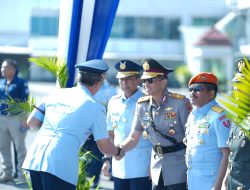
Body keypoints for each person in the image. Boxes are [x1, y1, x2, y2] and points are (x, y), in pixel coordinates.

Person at [22, 59, 125, 190]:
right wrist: (119, 151)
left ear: (78, 78)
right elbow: (104, 146)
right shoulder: (95, 107)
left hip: (35, 158)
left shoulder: (56, 93)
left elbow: (31, 123)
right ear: (99, 84)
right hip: (59, 165)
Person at [118, 58, 192, 190]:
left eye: (150, 80)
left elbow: (192, 139)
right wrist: (120, 149)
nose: (146, 84)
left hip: (179, 167)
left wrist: (192, 170)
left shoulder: (180, 103)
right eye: (144, 80)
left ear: (163, 82)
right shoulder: (142, 105)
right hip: (157, 166)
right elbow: (134, 137)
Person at [102, 60, 152, 190]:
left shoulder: (148, 101)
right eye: (121, 79)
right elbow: (110, 134)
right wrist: (107, 159)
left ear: (138, 79)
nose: (124, 83)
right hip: (119, 165)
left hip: (142, 166)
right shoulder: (113, 102)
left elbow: (155, 136)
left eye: (128, 78)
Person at [185, 72, 231, 190]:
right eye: (190, 89)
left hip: (211, 182)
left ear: (211, 94)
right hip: (193, 181)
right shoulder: (193, 114)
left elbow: (227, 154)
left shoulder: (220, 117)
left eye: (197, 90)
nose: (192, 93)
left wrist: (218, 185)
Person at [82, 77, 117, 188]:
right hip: (85, 127)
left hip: (101, 126)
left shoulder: (110, 90)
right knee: (84, 152)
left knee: (97, 153)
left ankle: (95, 179)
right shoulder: (87, 88)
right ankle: (83, 177)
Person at [222, 58, 250, 190]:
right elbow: (233, 156)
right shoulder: (239, 115)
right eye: (236, 83)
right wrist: (225, 181)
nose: (237, 88)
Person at [0, 59, 29, 183]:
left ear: (13, 69)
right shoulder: (2, 82)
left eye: (5, 67)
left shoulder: (21, 82)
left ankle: (22, 176)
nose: (2, 69)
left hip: (16, 119)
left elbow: (25, 102)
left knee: (20, 149)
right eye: (2, 67)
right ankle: (7, 173)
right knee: (3, 147)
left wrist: (24, 120)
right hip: (2, 118)